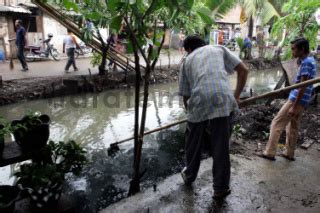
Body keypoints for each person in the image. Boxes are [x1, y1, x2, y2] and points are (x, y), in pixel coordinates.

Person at [179, 35, 248, 199]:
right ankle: (220, 188)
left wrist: (191, 114)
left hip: (198, 100)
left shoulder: (187, 61)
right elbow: (243, 70)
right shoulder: (218, 48)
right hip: (223, 98)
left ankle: (189, 176)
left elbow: (185, 95)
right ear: (204, 44)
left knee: (192, 143)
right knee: (221, 146)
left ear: (188, 49)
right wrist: (236, 96)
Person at [257, 37, 317, 161]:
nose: (292, 52)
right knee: (293, 126)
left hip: (296, 100)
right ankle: (289, 153)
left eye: (294, 49)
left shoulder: (306, 63)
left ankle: (270, 152)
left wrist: (294, 106)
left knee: (276, 123)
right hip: (303, 101)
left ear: (302, 49)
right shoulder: (311, 60)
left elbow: (302, 86)